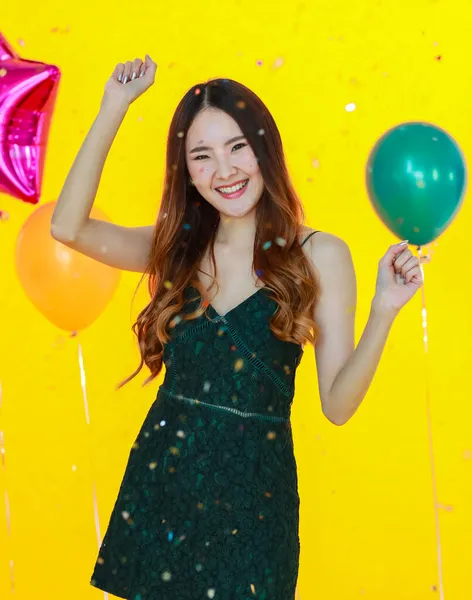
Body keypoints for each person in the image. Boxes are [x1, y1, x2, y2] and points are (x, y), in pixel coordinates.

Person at [51, 55, 423, 600]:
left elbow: (338, 407)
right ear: (186, 171)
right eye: (202, 156)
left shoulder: (320, 255)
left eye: (237, 147)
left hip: (254, 502)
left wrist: (385, 308)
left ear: (264, 148)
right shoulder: (177, 245)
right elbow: (67, 226)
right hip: (164, 484)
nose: (223, 171)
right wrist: (115, 105)